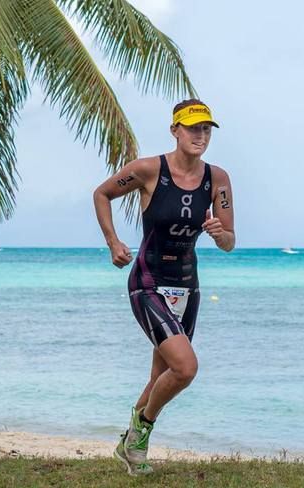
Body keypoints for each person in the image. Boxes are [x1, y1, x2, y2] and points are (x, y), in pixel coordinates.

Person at [93, 99, 235, 475]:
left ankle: (130, 447)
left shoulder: (217, 179)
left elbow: (230, 240)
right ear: (175, 130)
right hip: (148, 281)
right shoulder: (148, 169)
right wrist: (113, 242)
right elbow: (102, 193)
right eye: (192, 128)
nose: (199, 135)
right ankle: (140, 434)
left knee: (162, 376)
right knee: (185, 367)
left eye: (206, 129)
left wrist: (221, 234)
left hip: (188, 287)